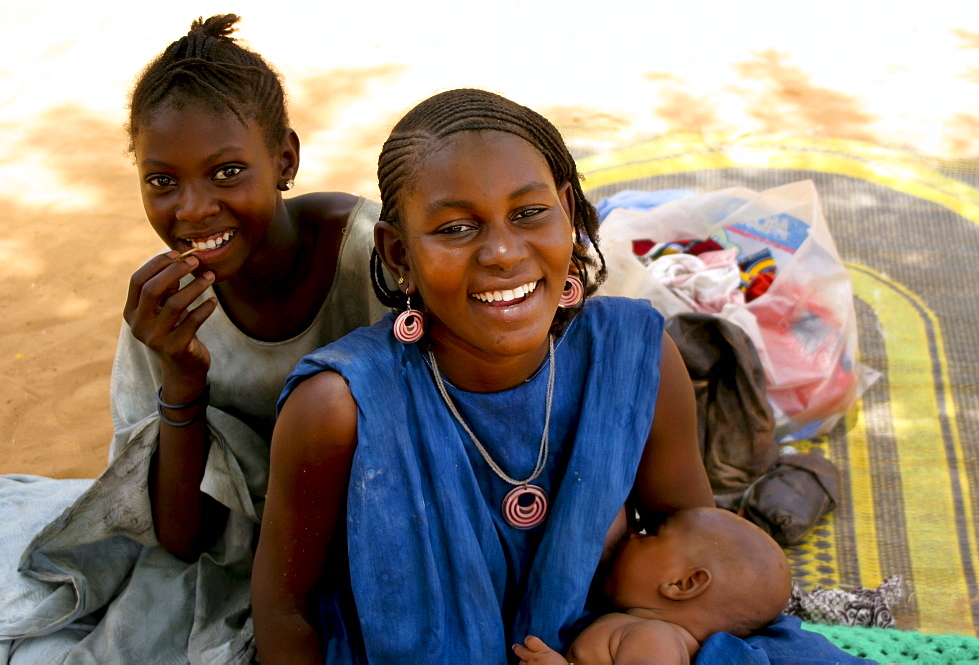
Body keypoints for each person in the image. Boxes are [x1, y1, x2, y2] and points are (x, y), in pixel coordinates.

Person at [251, 87, 716, 664]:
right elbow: (284, 612)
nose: (501, 251)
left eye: (528, 214)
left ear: (567, 215)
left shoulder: (634, 364)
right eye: (455, 228)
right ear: (399, 257)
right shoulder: (339, 409)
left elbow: (703, 568)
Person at [0, 15, 384, 663]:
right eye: (161, 181)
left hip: (373, 538)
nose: (192, 209)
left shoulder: (370, 261)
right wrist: (180, 376)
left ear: (285, 158)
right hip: (250, 558)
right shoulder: (164, 312)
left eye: (227, 171)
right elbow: (181, 538)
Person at [511, 507, 793, 665]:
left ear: (682, 584)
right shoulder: (644, 631)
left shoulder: (654, 637)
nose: (632, 534)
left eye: (651, 534)